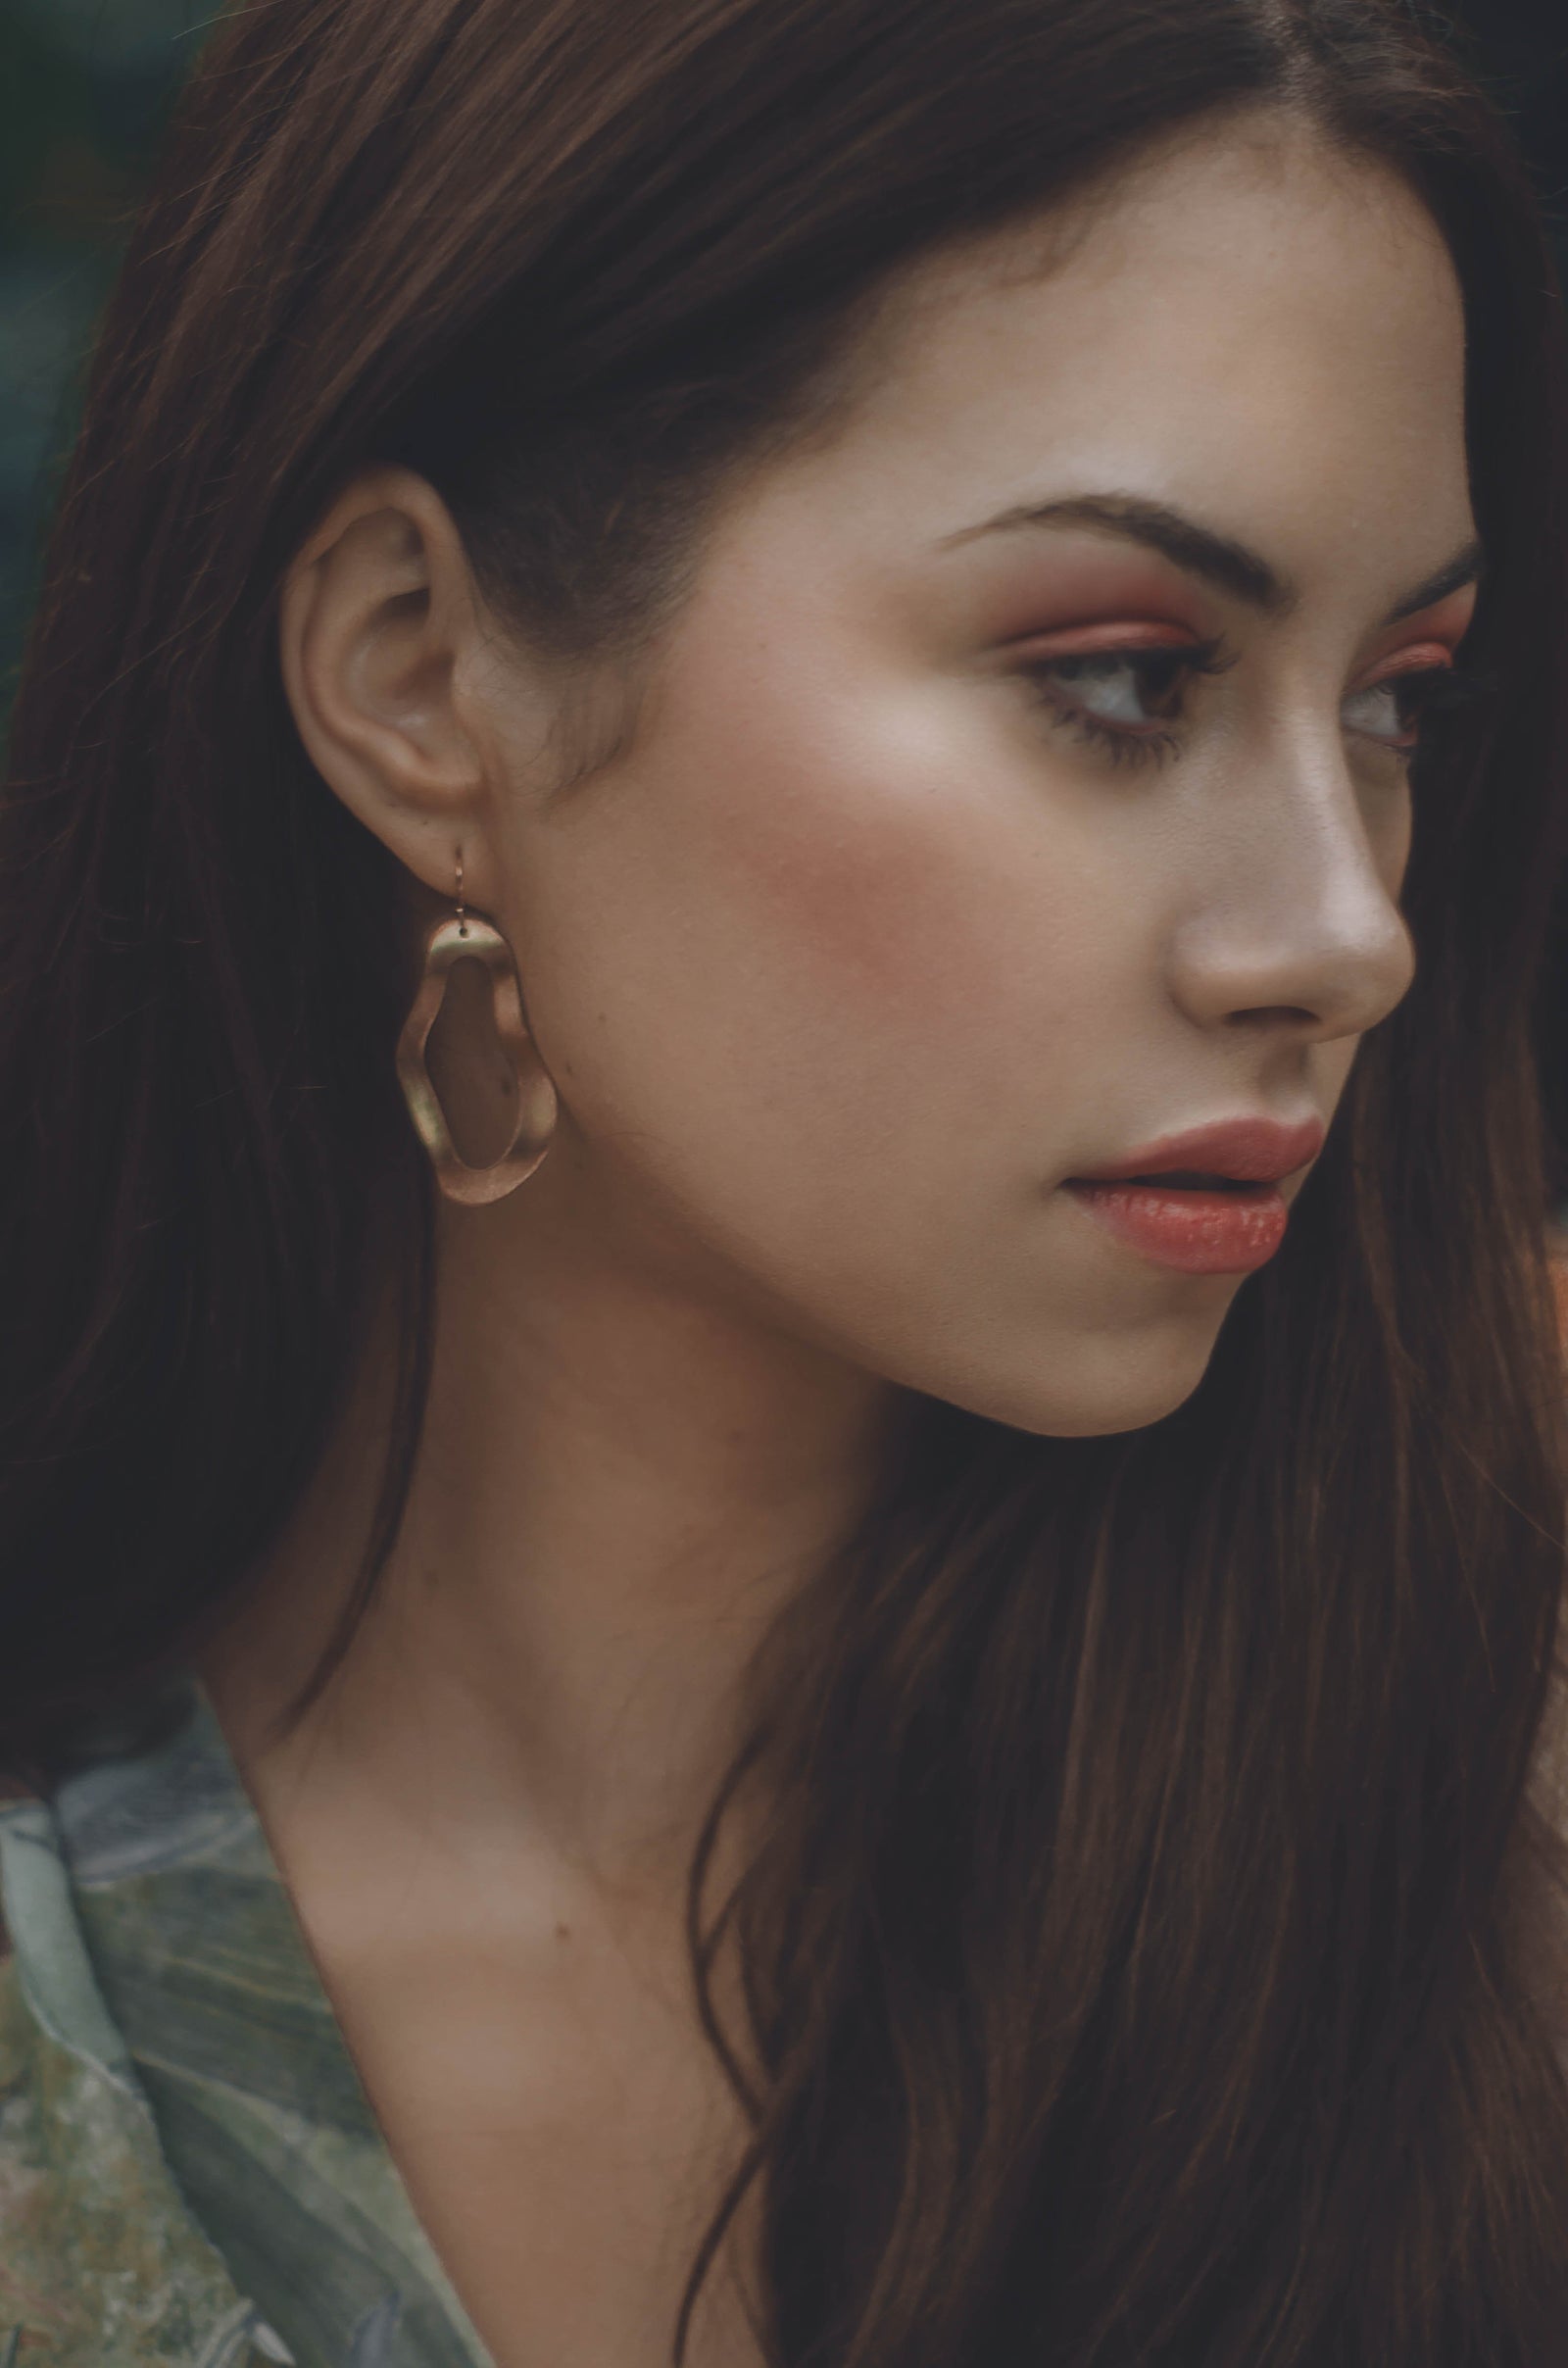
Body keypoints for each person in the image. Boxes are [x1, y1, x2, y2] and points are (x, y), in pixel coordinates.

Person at [2, 0, 1567, 2360]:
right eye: (1125, 676)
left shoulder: (1469, 1866)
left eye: (1390, 700)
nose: (1348, 932)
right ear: (422, 676)